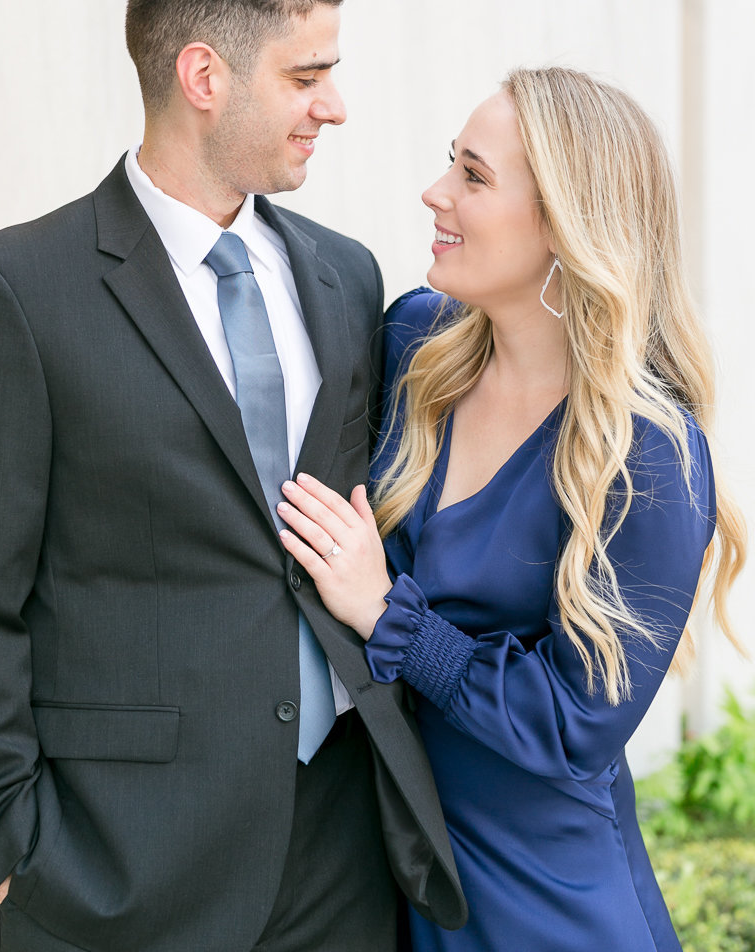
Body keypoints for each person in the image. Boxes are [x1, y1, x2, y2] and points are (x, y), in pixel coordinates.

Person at [0, 0, 466, 952]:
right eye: (305, 75)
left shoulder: (344, 274)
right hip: (121, 865)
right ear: (203, 75)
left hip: (340, 847)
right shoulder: (15, 293)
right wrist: (6, 845)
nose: (334, 106)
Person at [277, 67, 748, 951]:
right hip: (390, 866)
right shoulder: (415, 339)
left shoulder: (647, 452)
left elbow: (576, 725)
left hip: (547, 899)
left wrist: (388, 615)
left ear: (567, 225)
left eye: (475, 176)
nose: (435, 192)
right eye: (450, 163)